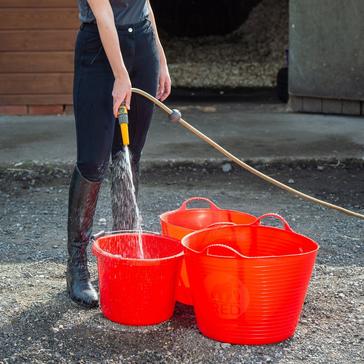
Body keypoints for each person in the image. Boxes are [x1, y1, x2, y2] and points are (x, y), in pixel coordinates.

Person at [67, 0, 171, 308]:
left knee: (128, 154)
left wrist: (161, 60)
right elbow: (103, 14)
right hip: (99, 52)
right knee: (93, 161)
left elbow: (146, 5)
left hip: (142, 46)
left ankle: (124, 252)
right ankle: (77, 265)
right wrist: (121, 75)